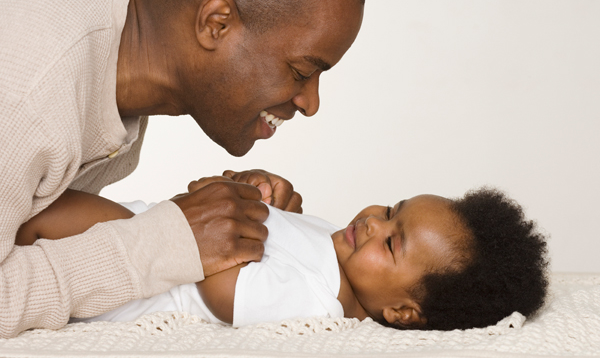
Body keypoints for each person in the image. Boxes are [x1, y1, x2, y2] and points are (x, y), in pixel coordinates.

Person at [0, 0, 365, 337]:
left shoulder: (113, 48)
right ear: (216, 24)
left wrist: (247, 225)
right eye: (300, 71)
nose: (311, 104)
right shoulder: (29, 93)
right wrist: (166, 242)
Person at [17, 176, 549, 331]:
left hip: (140, 278)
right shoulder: (334, 243)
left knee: (37, 221)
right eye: (391, 207)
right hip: (150, 226)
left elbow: (228, 293)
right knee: (35, 202)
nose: (371, 221)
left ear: (403, 311)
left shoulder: (317, 305)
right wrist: (255, 191)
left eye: (391, 242)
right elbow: (277, 227)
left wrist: (218, 216)